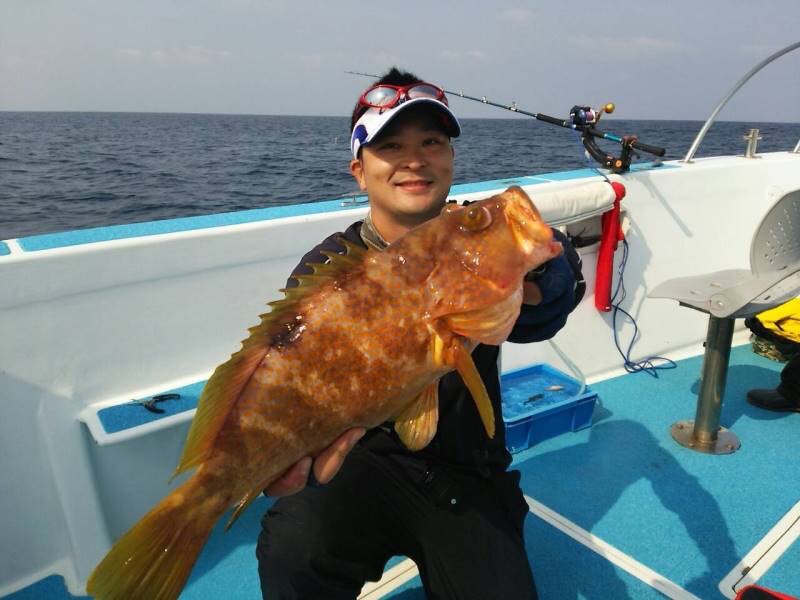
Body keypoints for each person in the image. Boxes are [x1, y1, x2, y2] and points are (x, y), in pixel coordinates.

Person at [255, 67, 586, 600]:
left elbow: (542, 309)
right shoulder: (327, 270)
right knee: (292, 551)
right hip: (356, 458)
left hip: (465, 468)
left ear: (451, 158)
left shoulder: (476, 239)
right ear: (360, 171)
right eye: (390, 146)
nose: (414, 159)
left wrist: (546, 270)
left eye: (432, 142)